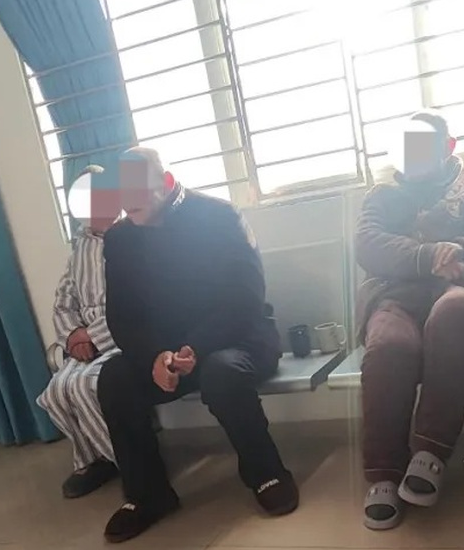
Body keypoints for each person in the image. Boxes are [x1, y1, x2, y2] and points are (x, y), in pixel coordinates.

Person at [96, 147, 295, 543]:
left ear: (167, 182)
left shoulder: (219, 216)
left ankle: (266, 473)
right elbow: (122, 316)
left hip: (239, 338)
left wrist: (195, 348)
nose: (128, 202)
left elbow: (245, 299)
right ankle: (148, 495)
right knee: (115, 376)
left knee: (222, 371)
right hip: (168, 353)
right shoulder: (119, 238)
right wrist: (154, 357)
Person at [356, 110, 464, 530]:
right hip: (395, 299)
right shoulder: (381, 196)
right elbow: (368, 246)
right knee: (389, 347)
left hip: (461, 293)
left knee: (457, 312)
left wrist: (460, 248)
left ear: (448, 146)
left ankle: (430, 451)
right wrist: (427, 255)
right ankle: (384, 472)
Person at [37, 165, 122, 499]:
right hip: (84, 342)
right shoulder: (80, 250)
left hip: (119, 338)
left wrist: (94, 336)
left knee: (85, 386)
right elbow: (63, 301)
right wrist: (73, 337)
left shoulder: (131, 239)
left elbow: (137, 303)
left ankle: (128, 459)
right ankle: (93, 460)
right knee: (56, 392)